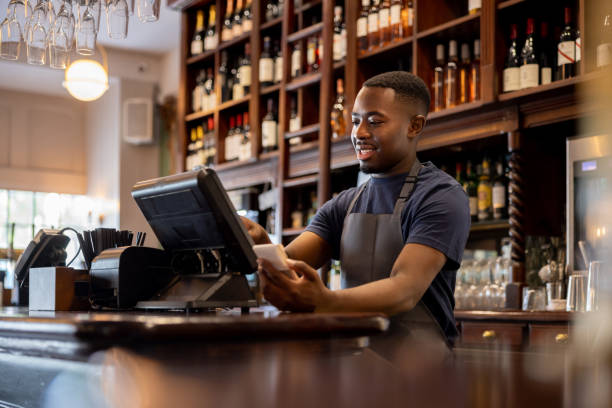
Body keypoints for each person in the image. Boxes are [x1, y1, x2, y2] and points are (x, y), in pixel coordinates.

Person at [243, 71, 470, 346]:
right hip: (355, 362)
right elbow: (288, 269)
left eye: (374, 122)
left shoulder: (439, 196)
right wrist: (258, 243)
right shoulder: (345, 203)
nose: (359, 133)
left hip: (424, 369)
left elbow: (404, 289)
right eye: (355, 121)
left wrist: (325, 300)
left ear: (415, 126)